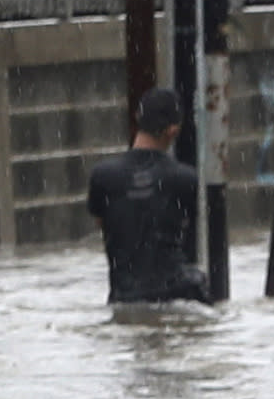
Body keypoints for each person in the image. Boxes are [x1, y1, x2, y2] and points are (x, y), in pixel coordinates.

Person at [87, 90, 206, 304]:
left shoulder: (102, 175)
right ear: (173, 131)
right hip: (176, 295)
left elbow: (102, 222)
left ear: (137, 117)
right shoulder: (185, 178)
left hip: (124, 296)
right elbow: (190, 228)